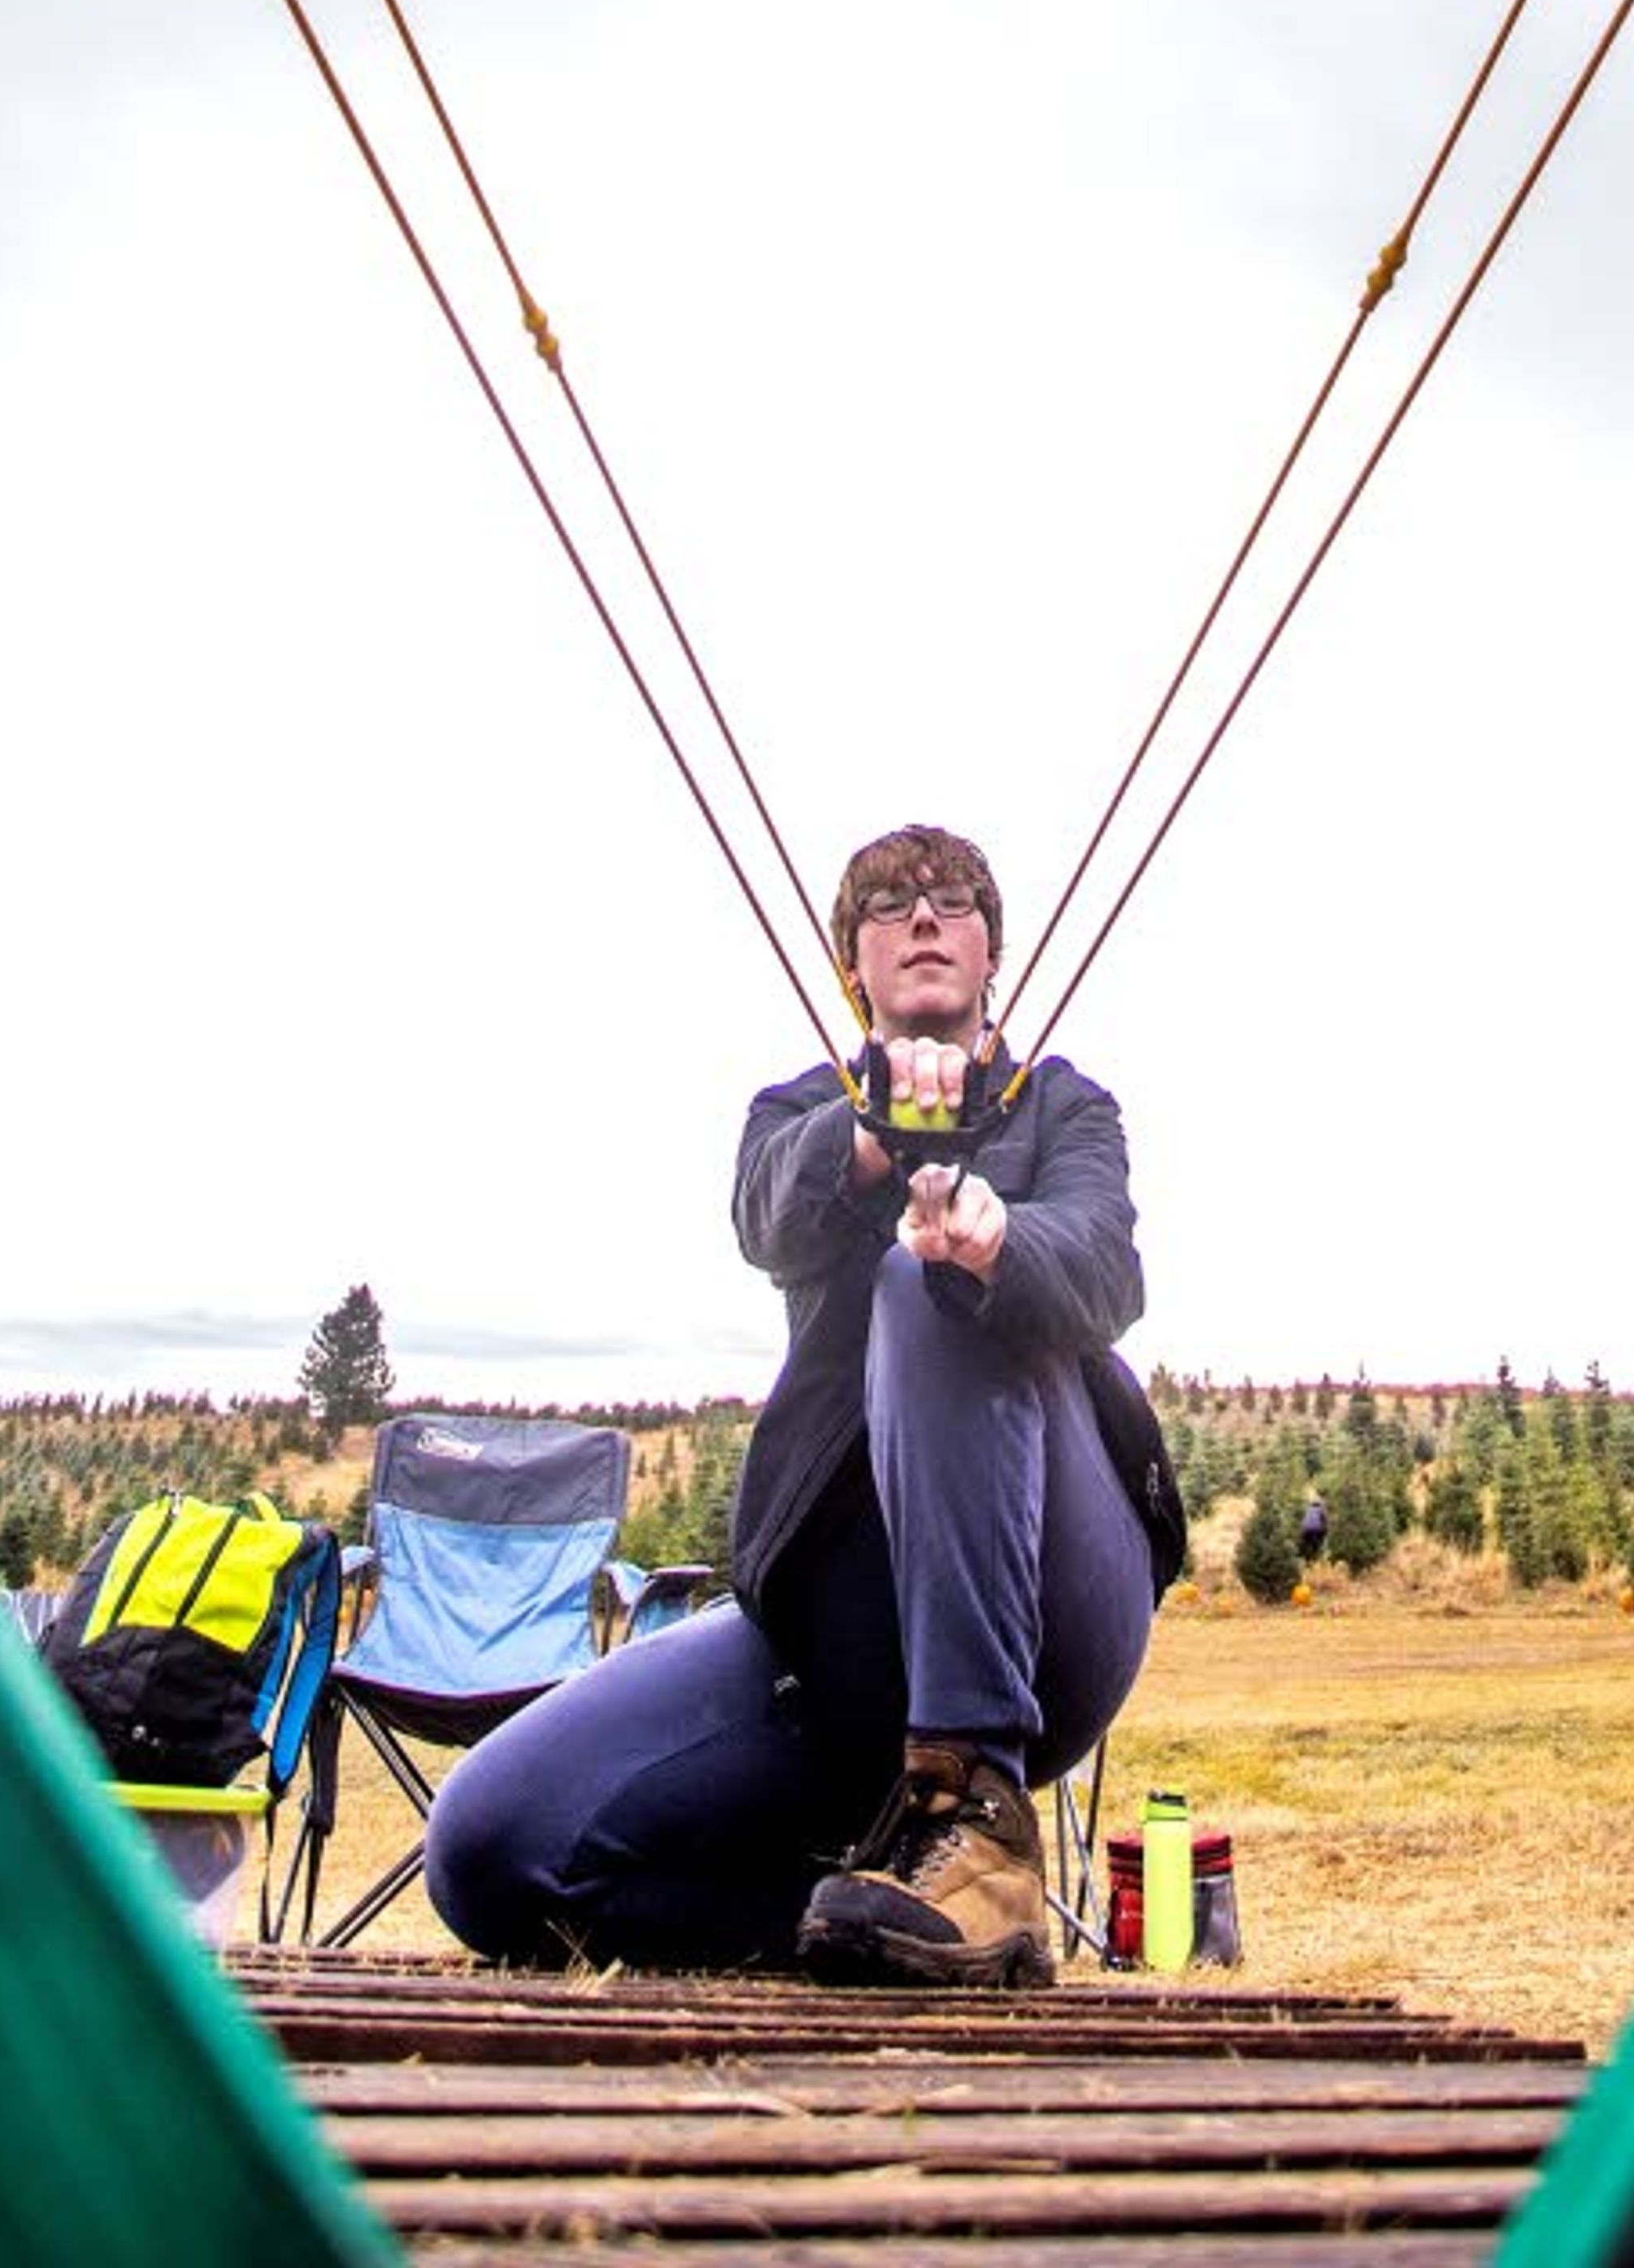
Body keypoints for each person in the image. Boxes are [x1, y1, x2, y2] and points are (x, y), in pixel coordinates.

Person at [423, 823, 1182, 1986]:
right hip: (834, 1643)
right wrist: (870, 1134)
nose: (923, 916)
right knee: (492, 1852)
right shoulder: (797, 1114)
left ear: (993, 956)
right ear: (852, 967)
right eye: (888, 903)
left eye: (952, 899)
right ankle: (876, 1914)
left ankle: (978, 1819)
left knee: (927, 1286)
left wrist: (992, 1246)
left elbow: (1105, 1266)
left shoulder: (1067, 1109)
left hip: (1051, 1608)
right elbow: (769, 1213)